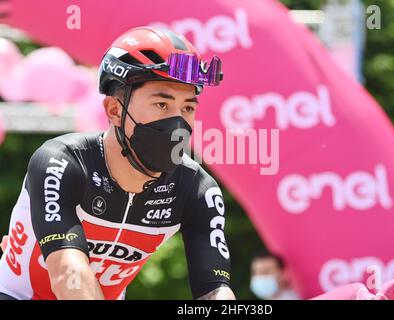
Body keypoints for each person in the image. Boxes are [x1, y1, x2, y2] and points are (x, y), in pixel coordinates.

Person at [0, 26, 235, 300]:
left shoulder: (197, 188)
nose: (178, 122)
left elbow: (215, 291)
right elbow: (68, 274)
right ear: (114, 110)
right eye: (162, 105)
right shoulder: (62, 161)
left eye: (188, 108)